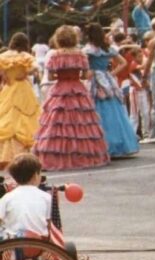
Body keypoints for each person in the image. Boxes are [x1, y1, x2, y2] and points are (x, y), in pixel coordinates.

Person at [34, 25, 110, 171]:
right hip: (77, 88)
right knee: (81, 122)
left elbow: (50, 76)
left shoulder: (55, 55)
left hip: (60, 88)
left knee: (58, 123)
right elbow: (84, 75)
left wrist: (61, 74)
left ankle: (59, 155)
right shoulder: (80, 54)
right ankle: (83, 154)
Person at [85, 22, 139, 157]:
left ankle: (102, 145)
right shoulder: (108, 48)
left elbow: (86, 68)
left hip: (95, 81)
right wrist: (111, 74)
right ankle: (121, 143)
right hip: (108, 79)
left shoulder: (89, 50)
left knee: (98, 111)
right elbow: (123, 62)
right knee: (116, 112)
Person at [0, 33, 41, 169]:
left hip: (8, 88)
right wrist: (26, 73)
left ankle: (4, 155)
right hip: (23, 88)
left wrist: (6, 75)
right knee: (27, 119)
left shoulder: (4, 56)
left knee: (6, 119)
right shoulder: (26, 56)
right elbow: (35, 67)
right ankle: (25, 154)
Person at [0, 153, 50, 239]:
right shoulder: (46, 197)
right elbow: (49, 222)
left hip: (13, 244)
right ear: (35, 176)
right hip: (39, 243)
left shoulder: (7, 197)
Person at [128, 46, 151, 140]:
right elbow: (142, 66)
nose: (141, 59)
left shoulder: (140, 67)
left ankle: (146, 132)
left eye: (142, 56)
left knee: (145, 112)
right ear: (134, 57)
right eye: (138, 57)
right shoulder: (133, 64)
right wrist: (150, 59)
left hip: (142, 91)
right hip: (135, 91)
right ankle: (131, 134)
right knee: (134, 114)